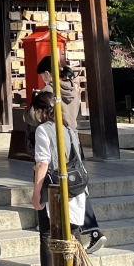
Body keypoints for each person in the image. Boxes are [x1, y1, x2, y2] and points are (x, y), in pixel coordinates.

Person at [24, 57, 106, 254]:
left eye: (42, 75)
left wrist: (34, 101)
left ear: (47, 73)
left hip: (55, 140)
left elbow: (33, 118)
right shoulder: (73, 88)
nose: (43, 78)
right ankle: (92, 229)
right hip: (72, 139)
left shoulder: (49, 91)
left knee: (56, 181)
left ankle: (56, 220)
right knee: (77, 184)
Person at [29, 90, 100, 266]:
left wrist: (35, 193)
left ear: (41, 111)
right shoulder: (68, 128)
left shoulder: (43, 130)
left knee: (46, 233)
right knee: (74, 232)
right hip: (76, 186)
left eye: (36, 111)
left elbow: (42, 163)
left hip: (54, 188)